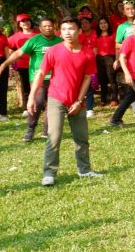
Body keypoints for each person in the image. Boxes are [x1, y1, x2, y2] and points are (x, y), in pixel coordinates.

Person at [29, 18, 102, 186]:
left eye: (71, 29)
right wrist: (32, 96)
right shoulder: (54, 51)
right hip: (56, 98)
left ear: (79, 31)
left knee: (81, 137)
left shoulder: (87, 53)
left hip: (77, 101)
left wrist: (79, 101)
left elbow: (87, 78)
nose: (67, 32)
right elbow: (41, 73)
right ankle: (49, 173)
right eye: (64, 29)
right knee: (54, 136)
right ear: (60, 32)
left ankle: (84, 170)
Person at [0, 17, 62, 142]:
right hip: (38, 77)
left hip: (55, 78)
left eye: (50, 26)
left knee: (52, 104)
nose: (48, 28)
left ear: (54, 27)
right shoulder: (34, 40)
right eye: (45, 26)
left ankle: (47, 131)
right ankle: (30, 129)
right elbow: (18, 53)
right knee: (38, 101)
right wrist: (4, 64)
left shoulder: (60, 41)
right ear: (40, 28)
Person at [7, 14, 38, 103]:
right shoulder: (15, 36)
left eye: (27, 20)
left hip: (38, 65)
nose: (25, 23)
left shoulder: (39, 34)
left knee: (40, 86)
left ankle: (41, 106)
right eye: (22, 21)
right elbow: (7, 48)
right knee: (26, 87)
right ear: (19, 24)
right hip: (23, 65)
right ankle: (26, 107)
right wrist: (13, 63)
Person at [94, 16, 120, 106]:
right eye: (101, 23)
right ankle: (103, 99)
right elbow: (95, 49)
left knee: (112, 79)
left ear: (108, 24)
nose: (103, 25)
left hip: (110, 58)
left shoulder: (113, 34)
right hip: (99, 59)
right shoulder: (96, 35)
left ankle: (114, 98)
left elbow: (117, 48)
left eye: (105, 23)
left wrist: (117, 60)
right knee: (102, 80)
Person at [77, 12, 97, 117]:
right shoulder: (79, 36)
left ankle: (89, 108)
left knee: (89, 86)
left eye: (86, 23)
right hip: (79, 63)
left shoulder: (94, 34)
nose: (84, 25)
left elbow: (95, 50)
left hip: (91, 62)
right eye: (82, 23)